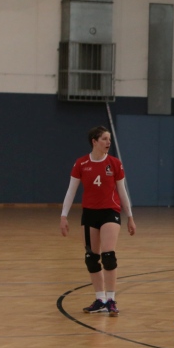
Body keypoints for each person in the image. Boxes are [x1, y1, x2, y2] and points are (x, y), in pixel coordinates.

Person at [61, 126, 136, 317]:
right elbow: (71, 191)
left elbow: (122, 192)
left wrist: (130, 217)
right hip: (89, 214)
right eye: (104, 139)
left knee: (108, 255)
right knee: (91, 258)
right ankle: (100, 299)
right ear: (94, 141)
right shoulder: (81, 163)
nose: (108, 142)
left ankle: (111, 299)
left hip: (110, 212)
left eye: (109, 139)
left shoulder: (115, 163)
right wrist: (63, 216)